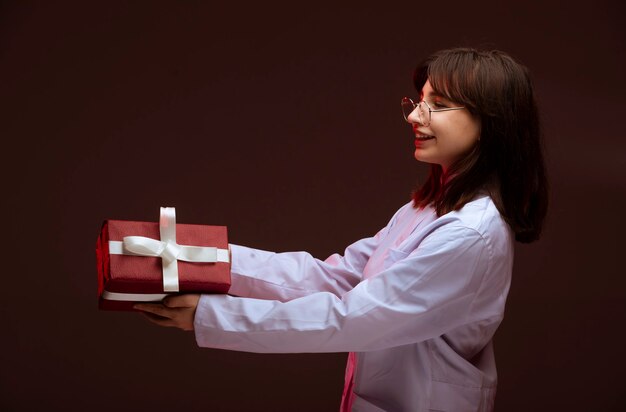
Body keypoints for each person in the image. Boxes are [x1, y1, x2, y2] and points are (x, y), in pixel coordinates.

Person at [134, 47, 548, 412]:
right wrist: (196, 255)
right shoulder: (426, 210)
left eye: (437, 105)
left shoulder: (470, 235)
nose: (414, 116)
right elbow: (336, 277)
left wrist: (212, 314)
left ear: (491, 122)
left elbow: (354, 318)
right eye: (419, 101)